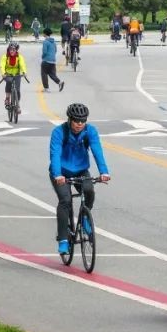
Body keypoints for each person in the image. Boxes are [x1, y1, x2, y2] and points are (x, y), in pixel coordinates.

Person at [49, 103, 110, 255]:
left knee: (89, 190)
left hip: (81, 170)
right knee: (65, 200)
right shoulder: (59, 132)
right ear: (70, 120)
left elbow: (97, 150)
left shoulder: (90, 131)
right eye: (77, 121)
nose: (80, 124)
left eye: (83, 121)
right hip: (61, 172)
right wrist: (57, 175)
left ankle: (84, 220)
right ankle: (63, 239)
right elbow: (55, 154)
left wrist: (104, 171)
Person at [0, 42, 28, 112]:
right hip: (7, 74)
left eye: (13, 50)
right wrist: (3, 73)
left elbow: (22, 64)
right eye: (10, 49)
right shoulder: (5, 56)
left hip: (17, 75)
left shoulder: (19, 56)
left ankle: (17, 105)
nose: (11, 51)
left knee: (17, 90)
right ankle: (7, 98)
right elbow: (2, 65)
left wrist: (24, 72)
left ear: (16, 50)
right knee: (9, 81)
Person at [40, 28, 65, 92]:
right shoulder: (53, 42)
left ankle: (46, 88)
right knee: (52, 74)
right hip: (53, 61)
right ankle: (60, 82)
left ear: (45, 34)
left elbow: (44, 52)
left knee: (44, 73)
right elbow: (55, 50)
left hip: (46, 60)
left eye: (43, 33)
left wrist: (42, 57)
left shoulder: (45, 42)